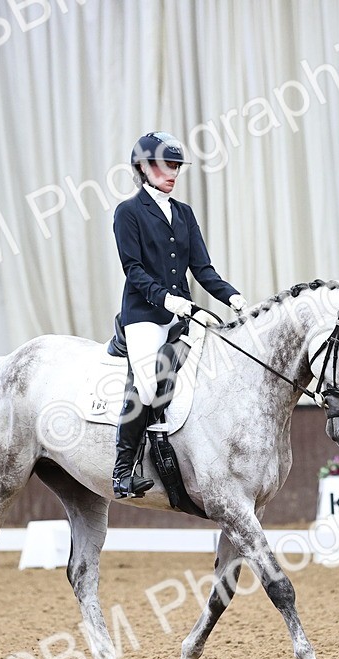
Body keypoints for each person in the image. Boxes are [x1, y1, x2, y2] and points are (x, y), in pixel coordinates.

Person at [111, 131, 247, 499]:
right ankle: (123, 470)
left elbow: (202, 268)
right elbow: (133, 270)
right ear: (143, 167)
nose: (173, 171)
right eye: (165, 164)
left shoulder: (184, 214)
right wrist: (167, 301)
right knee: (147, 384)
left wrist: (233, 298)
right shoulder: (128, 212)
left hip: (182, 314)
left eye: (176, 165)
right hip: (144, 315)